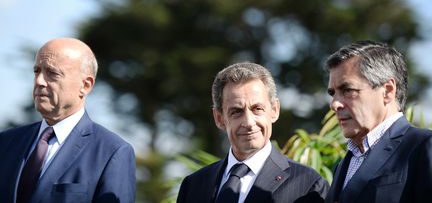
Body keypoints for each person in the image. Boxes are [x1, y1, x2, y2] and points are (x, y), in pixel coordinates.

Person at [0, 38, 136, 203]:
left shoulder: (112, 152)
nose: (39, 81)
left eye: (52, 73)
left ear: (85, 85)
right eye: (37, 71)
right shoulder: (6, 142)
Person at [177, 62, 329, 203]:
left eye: (257, 109)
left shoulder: (308, 185)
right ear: (219, 118)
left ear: (274, 110)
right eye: (236, 112)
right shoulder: (193, 185)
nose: (249, 122)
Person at [324, 40, 432, 203]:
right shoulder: (344, 163)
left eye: (348, 90)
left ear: (387, 91)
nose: (334, 104)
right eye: (333, 93)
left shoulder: (424, 146)